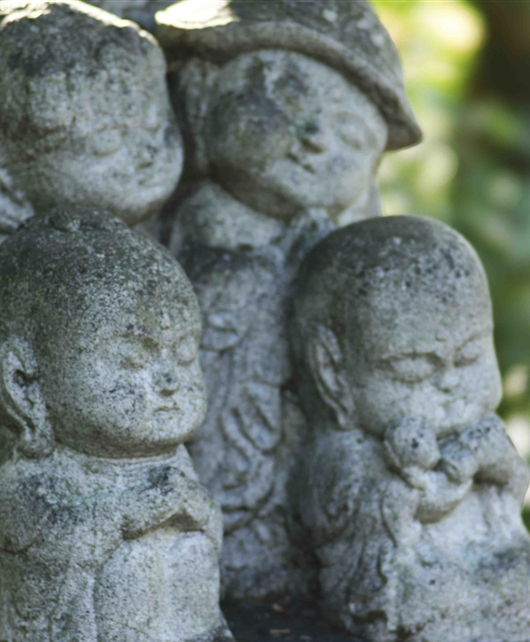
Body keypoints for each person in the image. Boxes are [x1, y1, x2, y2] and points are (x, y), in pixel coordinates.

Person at [0, 0, 184, 638]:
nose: (149, 153)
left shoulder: (140, 245)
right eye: (107, 141)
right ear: (2, 187)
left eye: (156, 126)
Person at [149, 0, 422, 601]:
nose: (317, 138)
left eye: (351, 134)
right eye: (287, 95)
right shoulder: (195, 219)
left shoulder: (338, 248)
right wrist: (262, 273)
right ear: (201, 92)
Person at [0, 209, 248, 642]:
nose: (168, 380)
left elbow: (209, 526)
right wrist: (128, 515)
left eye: (184, 354)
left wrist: (197, 509)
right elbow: (55, 550)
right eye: (130, 360)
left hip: (182, 628)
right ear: (24, 383)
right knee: (129, 564)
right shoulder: (29, 480)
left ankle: (197, 640)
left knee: (188, 552)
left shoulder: (177, 459)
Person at [290, 215, 530, 642]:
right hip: (406, 577)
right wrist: (425, 484)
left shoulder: (481, 429)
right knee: (430, 594)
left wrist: (502, 467)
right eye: (413, 367)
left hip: (478, 557)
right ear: (332, 372)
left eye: (470, 356)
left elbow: (510, 491)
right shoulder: (345, 453)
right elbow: (352, 509)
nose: (449, 382)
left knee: (525, 574)